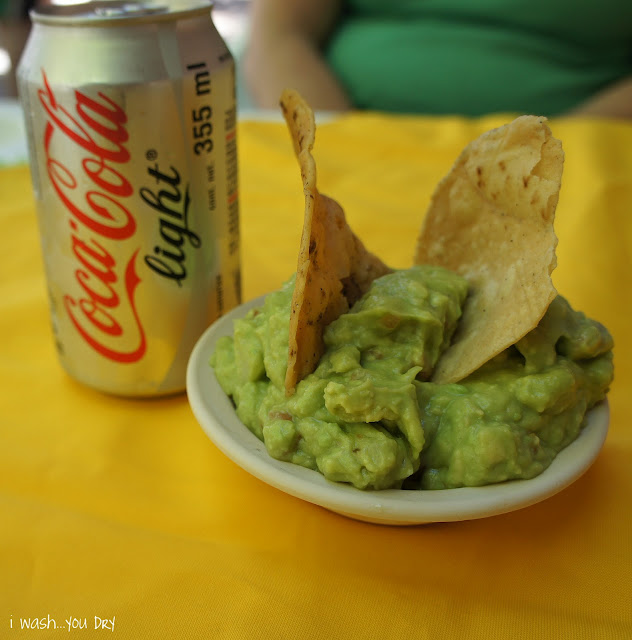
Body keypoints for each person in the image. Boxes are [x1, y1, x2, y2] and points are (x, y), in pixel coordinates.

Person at [243, 0, 632, 119]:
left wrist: (546, 153)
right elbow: (279, 31)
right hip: (352, 146)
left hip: (581, 154)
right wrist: (334, 151)